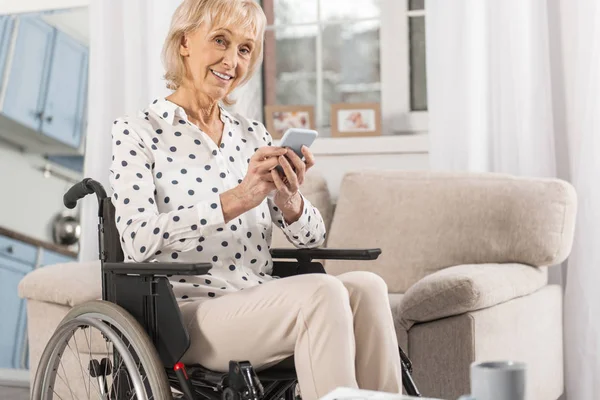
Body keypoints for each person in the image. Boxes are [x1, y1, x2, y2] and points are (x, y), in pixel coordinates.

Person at [109, 0, 402, 398]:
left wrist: (289, 198)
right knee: (323, 291)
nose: (232, 60)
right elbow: (138, 241)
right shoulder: (138, 132)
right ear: (184, 43)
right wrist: (238, 198)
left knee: (367, 286)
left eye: (245, 49)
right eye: (220, 41)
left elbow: (312, 239)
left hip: (258, 297)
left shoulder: (252, 134)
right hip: (185, 314)